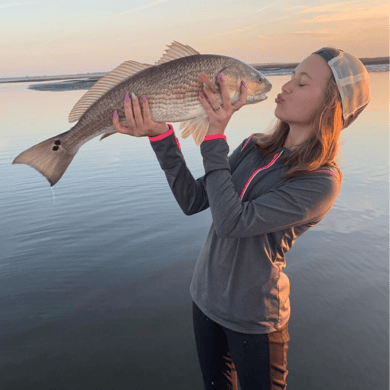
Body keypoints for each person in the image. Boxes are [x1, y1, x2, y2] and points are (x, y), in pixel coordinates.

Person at [111, 47, 370, 390]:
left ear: (330, 107)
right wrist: (160, 135)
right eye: (292, 75)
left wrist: (214, 137)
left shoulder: (320, 180)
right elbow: (193, 200)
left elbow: (231, 222)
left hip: (255, 321)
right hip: (205, 301)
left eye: (302, 83)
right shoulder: (254, 146)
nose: (287, 86)